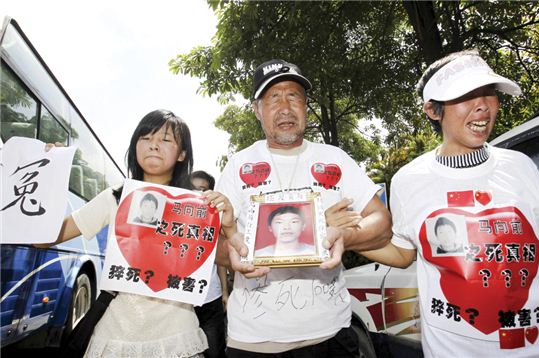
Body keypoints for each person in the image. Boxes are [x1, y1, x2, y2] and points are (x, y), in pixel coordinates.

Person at [357, 50, 539, 357]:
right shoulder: (408, 180)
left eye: (489, 93)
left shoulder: (521, 167)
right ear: (433, 110)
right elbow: (403, 252)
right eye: (466, 95)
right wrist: (343, 237)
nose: (483, 106)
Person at [215, 59, 392, 357]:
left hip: (331, 334)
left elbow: (381, 221)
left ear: (306, 106)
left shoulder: (335, 158)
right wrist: (233, 256)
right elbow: (215, 240)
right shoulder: (237, 166)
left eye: (293, 96)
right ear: (257, 110)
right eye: (273, 98)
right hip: (254, 339)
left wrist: (341, 237)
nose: (285, 106)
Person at [40, 110, 237, 358]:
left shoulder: (196, 207)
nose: (153, 145)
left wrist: (230, 228)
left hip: (177, 338)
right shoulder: (116, 197)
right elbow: (43, 239)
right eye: (145, 137)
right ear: (135, 146)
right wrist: (48, 176)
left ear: (182, 153)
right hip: (115, 336)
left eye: (165, 140)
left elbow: (232, 260)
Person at [190, 170, 229, 358]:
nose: (198, 193)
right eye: (193, 188)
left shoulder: (215, 221)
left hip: (210, 298)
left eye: (202, 189)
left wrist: (224, 292)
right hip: (182, 301)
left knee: (214, 351)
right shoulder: (174, 220)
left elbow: (220, 261)